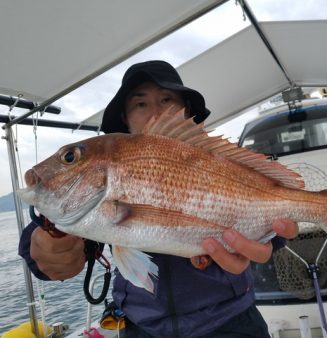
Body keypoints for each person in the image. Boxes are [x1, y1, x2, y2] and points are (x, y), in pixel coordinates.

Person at [19, 60, 299, 337]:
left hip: (232, 321)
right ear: (125, 118)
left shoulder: (220, 161)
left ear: (185, 110)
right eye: (140, 104)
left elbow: (264, 208)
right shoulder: (102, 188)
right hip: (142, 327)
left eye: (167, 99)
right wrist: (46, 240)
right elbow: (61, 229)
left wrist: (271, 238)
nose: (155, 112)